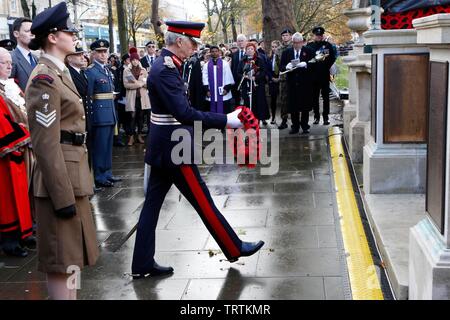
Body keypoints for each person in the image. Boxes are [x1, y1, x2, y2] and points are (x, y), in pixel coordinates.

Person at [131, 21, 264, 279]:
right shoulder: (167, 69)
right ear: (179, 40)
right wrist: (227, 120)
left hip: (164, 147)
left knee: (151, 206)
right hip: (174, 150)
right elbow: (184, 113)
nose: (194, 48)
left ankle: (142, 262)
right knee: (203, 201)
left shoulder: (166, 64)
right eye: (192, 43)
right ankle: (234, 246)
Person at [24, 2, 99, 299]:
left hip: (72, 174)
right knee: (60, 260)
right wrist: (61, 194)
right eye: (70, 31)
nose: (75, 36)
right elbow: (45, 143)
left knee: (71, 256)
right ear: (53, 37)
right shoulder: (44, 78)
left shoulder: (60, 71)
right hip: (59, 181)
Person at [0, 47, 34, 257]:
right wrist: (23, 134)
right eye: (4, 63)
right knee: (8, 199)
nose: (9, 66)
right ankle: (10, 240)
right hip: (9, 152)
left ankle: (25, 233)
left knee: (23, 193)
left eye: (9, 63)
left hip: (24, 147)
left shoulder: (11, 86)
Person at [85, 39, 122, 188]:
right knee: (100, 146)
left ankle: (107, 172)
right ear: (93, 54)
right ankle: (99, 176)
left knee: (107, 146)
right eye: (99, 52)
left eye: (105, 52)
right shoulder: (91, 71)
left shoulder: (106, 69)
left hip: (109, 112)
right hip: (99, 114)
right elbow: (88, 95)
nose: (103, 55)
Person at [280, 32, 314, 134]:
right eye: (295, 42)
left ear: (302, 42)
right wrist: (287, 66)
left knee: (305, 106)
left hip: (305, 83)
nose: (297, 45)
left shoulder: (309, 51)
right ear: (292, 42)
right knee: (293, 106)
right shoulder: (287, 52)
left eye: (299, 42)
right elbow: (281, 66)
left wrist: (307, 64)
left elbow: (315, 65)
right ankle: (295, 126)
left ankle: (305, 126)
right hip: (292, 83)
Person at [307, 26, 336, 125]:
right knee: (314, 97)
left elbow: (332, 58)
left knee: (326, 97)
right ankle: (316, 117)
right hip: (313, 76)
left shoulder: (327, 45)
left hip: (324, 75)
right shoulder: (309, 46)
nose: (318, 37)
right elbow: (308, 60)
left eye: (320, 35)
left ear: (322, 35)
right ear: (313, 35)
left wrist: (325, 66)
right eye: (317, 35)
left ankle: (326, 117)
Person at [237, 43, 270, 125]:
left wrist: (256, 77)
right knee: (247, 103)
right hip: (247, 85)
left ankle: (257, 121)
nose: (250, 50)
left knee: (258, 103)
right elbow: (238, 72)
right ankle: (248, 120)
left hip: (257, 86)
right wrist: (246, 77)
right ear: (246, 50)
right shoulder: (242, 60)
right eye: (248, 49)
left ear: (254, 50)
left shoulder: (259, 60)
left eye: (252, 49)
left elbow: (263, 71)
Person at [123, 47, 150, 145]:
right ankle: (131, 137)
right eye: (133, 60)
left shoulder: (143, 70)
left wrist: (142, 84)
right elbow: (126, 85)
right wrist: (139, 84)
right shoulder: (127, 70)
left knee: (141, 117)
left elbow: (148, 83)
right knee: (132, 117)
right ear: (130, 60)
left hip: (142, 97)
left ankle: (139, 135)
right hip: (132, 97)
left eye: (136, 59)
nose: (135, 61)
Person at [202, 45, 235, 115]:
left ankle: (224, 125)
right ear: (210, 53)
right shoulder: (206, 65)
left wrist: (226, 88)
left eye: (216, 51)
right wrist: (207, 90)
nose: (214, 53)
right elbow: (204, 78)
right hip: (212, 92)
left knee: (225, 112)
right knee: (212, 112)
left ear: (219, 52)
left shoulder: (225, 64)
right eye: (212, 52)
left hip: (223, 92)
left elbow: (228, 76)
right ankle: (214, 125)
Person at [10, 17, 38, 92]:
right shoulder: (11, 59)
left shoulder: (36, 58)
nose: (32, 34)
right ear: (16, 34)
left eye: (33, 31)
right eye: (27, 31)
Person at [278, 28, 293, 130]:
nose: (285, 37)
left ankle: (296, 120)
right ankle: (284, 120)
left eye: (287, 35)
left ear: (290, 36)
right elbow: (277, 64)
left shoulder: (294, 47)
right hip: (283, 77)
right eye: (283, 36)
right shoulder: (279, 49)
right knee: (283, 99)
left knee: (295, 98)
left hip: (294, 76)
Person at [230, 34, 247, 106]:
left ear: (246, 42)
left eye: (242, 41)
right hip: (236, 80)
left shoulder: (249, 52)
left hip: (246, 79)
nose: (240, 43)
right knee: (237, 99)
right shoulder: (234, 54)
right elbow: (233, 68)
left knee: (246, 99)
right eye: (239, 41)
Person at [268, 40, 281, 124]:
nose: (274, 48)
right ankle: (273, 117)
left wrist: (279, 77)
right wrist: (271, 78)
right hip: (272, 79)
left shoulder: (281, 56)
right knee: (273, 99)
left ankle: (284, 117)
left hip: (281, 78)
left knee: (283, 99)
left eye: (276, 47)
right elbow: (268, 69)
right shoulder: (269, 57)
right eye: (272, 47)